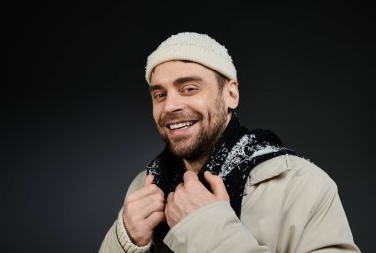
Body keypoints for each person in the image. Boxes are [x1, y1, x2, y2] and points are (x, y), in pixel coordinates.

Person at [99, 32, 360, 253]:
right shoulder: (143, 188)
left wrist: (206, 227)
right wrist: (125, 240)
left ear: (231, 94)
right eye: (159, 94)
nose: (170, 105)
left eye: (189, 88)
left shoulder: (304, 187)